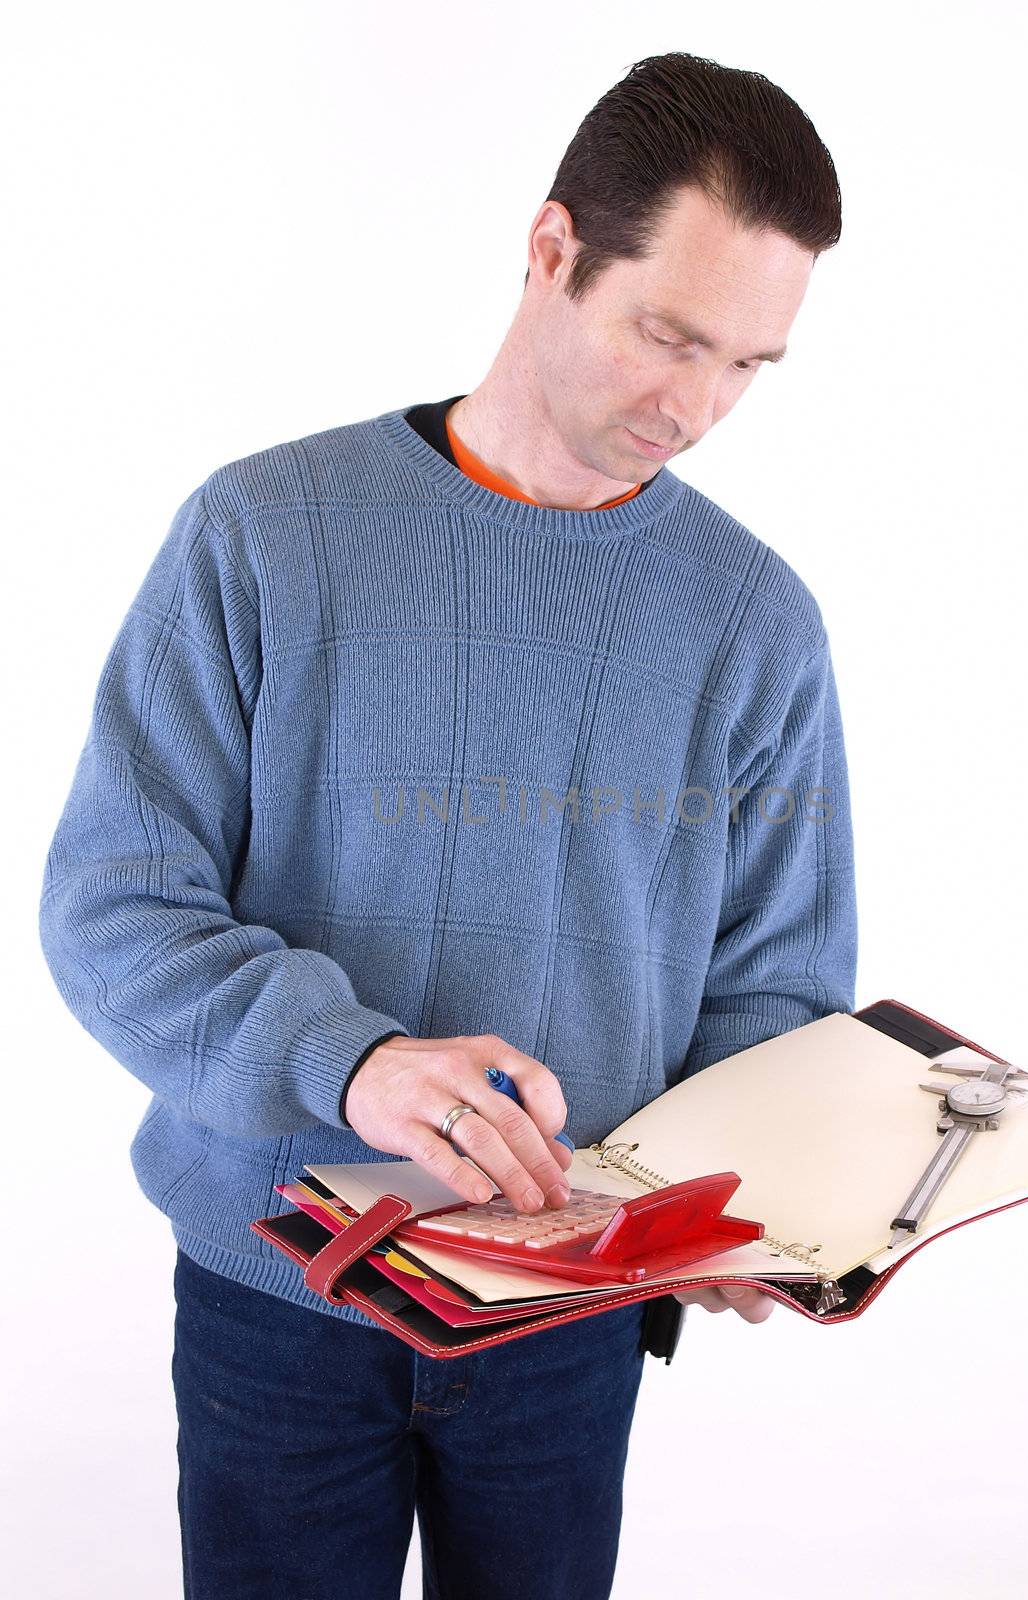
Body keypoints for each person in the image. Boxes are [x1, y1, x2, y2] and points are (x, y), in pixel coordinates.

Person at [39, 48, 857, 1600]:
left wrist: (755, 1201)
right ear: (552, 250)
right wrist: (350, 1063)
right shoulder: (265, 532)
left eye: (749, 364)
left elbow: (776, 996)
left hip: (570, 1321)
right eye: (667, 333)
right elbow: (114, 907)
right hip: (279, 1289)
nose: (696, 404)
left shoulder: (758, 624)